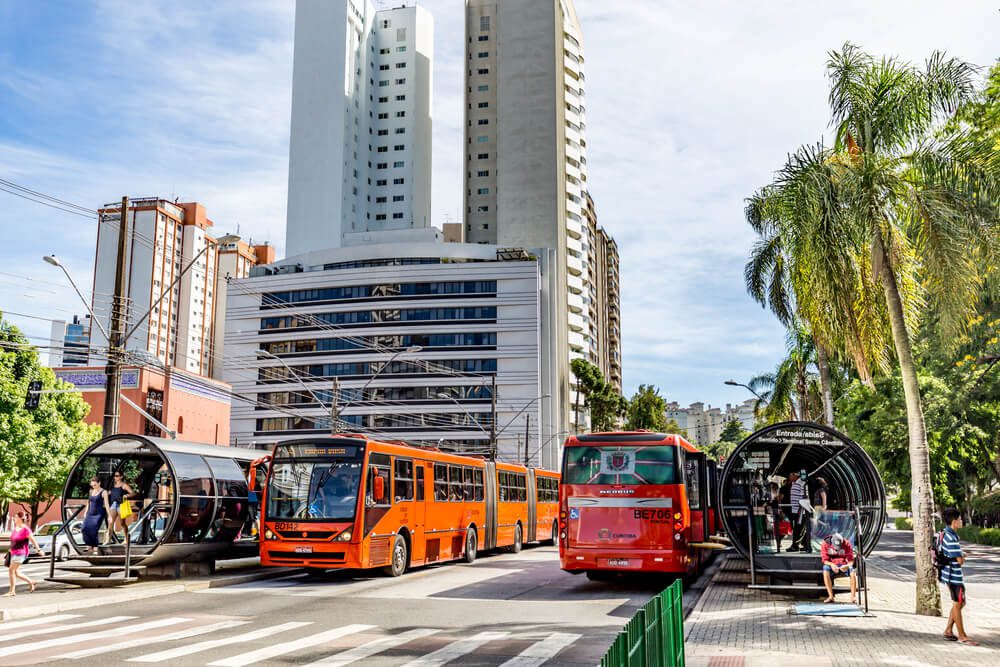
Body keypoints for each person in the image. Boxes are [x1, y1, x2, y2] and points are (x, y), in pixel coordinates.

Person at [939, 507, 978, 645]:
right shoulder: (951, 537)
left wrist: (960, 554)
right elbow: (960, 561)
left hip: (948, 574)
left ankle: (949, 630)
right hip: (953, 575)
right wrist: (962, 556)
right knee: (958, 603)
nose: (962, 521)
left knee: (960, 602)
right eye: (960, 519)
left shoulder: (944, 533)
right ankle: (962, 636)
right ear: (954, 522)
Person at [4, 511, 43, 596]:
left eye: (15, 517)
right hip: (13, 552)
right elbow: (14, 540)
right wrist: (10, 549)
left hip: (21, 553)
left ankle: (12, 591)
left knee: (11, 570)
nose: (14, 518)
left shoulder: (26, 529)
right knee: (16, 572)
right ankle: (31, 582)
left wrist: (39, 550)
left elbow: (33, 540)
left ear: (20, 519)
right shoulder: (16, 528)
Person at [820, 532, 857, 604]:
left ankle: (853, 597)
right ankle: (831, 596)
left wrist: (847, 566)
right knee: (825, 570)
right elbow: (824, 560)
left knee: (852, 571)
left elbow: (851, 561)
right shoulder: (825, 543)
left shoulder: (846, 544)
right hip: (831, 564)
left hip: (844, 564)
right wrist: (832, 565)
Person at [81, 476, 111, 552]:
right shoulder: (91, 491)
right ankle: (89, 544)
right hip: (90, 513)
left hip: (99, 514)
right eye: (92, 485)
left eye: (95, 485)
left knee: (93, 530)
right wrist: (85, 512)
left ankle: (95, 546)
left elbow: (107, 504)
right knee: (84, 528)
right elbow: (88, 502)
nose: (93, 486)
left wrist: (109, 516)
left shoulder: (104, 492)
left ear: (99, 483)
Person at [787, 471, 812, 552]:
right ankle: (804, 545)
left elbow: (803, 497)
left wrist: (800, 510)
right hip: (795, 510)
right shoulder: (795, 483)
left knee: (798, 529)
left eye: (790, 475)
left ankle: (795, 546)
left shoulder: (801, 483)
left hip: (800, 511)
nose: (789, 477)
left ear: (795, 474)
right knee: (798, 529)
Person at [107, 470, 135, 541]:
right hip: (113, 504)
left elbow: (133, 493)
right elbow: (110, 492)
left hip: (121, 505)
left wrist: (126, 495)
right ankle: (108, 540)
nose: (115, 477)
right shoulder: (113, 485)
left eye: (117, 476)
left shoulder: (124, 485)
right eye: (114, 476)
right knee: (110, 522)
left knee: (122, 523)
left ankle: (127, 539)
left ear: (121, 477)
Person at [768, 482, 785, 553]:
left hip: (778, 511)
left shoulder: (778, 493)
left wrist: (769, 502)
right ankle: (778, 543)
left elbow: (778, 502)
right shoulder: (772, 493)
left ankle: (779, 543)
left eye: (772, 487)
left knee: (779, 528)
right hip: (775, 511)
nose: (771, 488)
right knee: (777, 528)